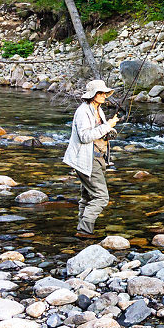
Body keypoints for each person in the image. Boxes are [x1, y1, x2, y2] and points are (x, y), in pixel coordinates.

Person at [63, 79, 120, 238]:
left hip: (98, 157)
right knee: (101, 197)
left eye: (104, 93)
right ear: (92, 95)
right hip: (87, 159)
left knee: (88, 196)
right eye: (100, 93)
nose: (103, 95)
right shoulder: (83, 111)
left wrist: (108, 131)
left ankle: (81, 230)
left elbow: (98, 132)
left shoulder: (98, 109)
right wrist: (107, 126)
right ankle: (84, 230)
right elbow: (84, 136)